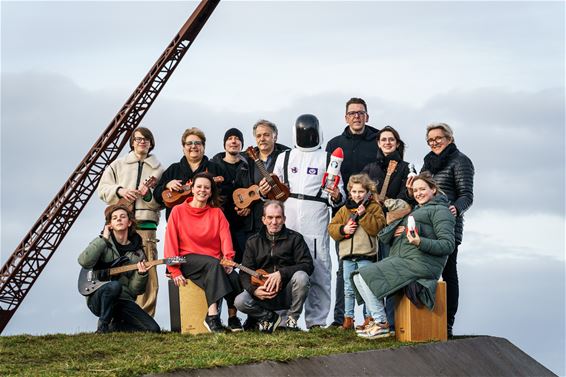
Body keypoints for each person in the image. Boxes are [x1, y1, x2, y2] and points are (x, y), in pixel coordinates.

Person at [353, 173, 455, 339]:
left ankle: (381, 324)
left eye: (423, 189)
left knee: (365, 276)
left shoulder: (441, 211)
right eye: (415, 190)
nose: (418, 193)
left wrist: (419, 241)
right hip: (406, 260)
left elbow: (448, 245)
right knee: (358, 277)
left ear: (434, 189)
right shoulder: (418, 210)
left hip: (422, 264)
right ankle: (377, 320)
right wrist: (397, 233)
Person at [273, 114, 344, 329]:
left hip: (316, 216)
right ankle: (285, 318)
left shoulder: (327, 158)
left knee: (320, 268)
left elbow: (338, 193)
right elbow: (274, 185)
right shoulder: (284, 157)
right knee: (285, 267)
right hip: (290, 216)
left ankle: (316, 320)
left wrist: (335, 195)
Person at [408, 122, 474, 337]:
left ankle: (447, 323)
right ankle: (426, 321)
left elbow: (467, 195)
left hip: (448, 225)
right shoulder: (427, 163)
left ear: (449, 138)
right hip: (426, 225)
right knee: (425, 272)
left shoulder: (461, 161)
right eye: (430, 140)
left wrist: (456, 207)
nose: (434, 142)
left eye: (438, 138)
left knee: (448, 273)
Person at [164, 172, 243, 333]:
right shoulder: (178, 211)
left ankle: (233, 317)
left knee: (234, 277)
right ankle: (212, 317)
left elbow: (226, 238)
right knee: (213, 264)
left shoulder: (217, 213)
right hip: (186, 260)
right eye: (199, 186)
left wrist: (228, 259)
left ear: (211, 191)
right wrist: (174, 269)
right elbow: (170, 242)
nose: (202, 190)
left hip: (211, 263)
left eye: (207, 188)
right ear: (192, 189)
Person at [97, 127, 164, 317]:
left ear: (151, 143)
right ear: (132, 143)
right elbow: (102, 190)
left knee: (148, 273)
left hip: (145, 227)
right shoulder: (117, 165)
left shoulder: (159, 169)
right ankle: (114, 317)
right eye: (138, 139)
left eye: (146, 139)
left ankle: (145, 318)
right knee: (117, 271)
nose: (142, 142)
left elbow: (163, 201)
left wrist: (149, 194)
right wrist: (120, 191)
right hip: (119, 228)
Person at [326, 97, 380, 329]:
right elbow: (330, 178)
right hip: (343, 210)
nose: (356, 116)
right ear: (346, 117)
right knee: (344, 267)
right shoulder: (335, 144)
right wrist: (335, 197)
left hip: (372, 210)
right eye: (352, 113)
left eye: (361, 113)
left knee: (372, 266)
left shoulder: (378, 139)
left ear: (367, 116)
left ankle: (373, 317)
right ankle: (342, 318)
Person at [78, 204, 160, 333]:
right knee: (114, 286)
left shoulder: (138, 253)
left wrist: (141, 274)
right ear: (110, 224)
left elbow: (134, 291)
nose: (119, 219)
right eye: (114, 218)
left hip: (122, 300)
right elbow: (84, 261)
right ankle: (103, 326)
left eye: (123, 217)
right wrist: (104, 239)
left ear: (129, 222)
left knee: (153, 329)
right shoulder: (103, 243)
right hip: (98, 298)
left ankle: (114, 327)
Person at [234, 200, 314, 332]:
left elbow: (308, 265)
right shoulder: (253, 242)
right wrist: (253, 290)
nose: (274, 222)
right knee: (240, 301)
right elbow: (244, 273)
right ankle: (269, 318)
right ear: (263, 219)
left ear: (284, 219)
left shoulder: (295, 239)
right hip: (264, 293)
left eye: (278, 217)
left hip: (287, 292)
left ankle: (291, 320)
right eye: (270, 217)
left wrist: (281, 273)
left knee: (302, 276)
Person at [361, 125, 412, 329]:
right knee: (368, 272)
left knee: (389, 273)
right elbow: (359, 191)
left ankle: (391, 321)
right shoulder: (370, 168)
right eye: (384, 140)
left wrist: (390, 205)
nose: (387, 143)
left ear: (397, 143)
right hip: (371, 226)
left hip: (393, 228)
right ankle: (373, 317)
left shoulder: (406, 167)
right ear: (378, 143)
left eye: (391, 139)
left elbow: (408, 198)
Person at [328, 174, 386, 331]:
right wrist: (343, 229)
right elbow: (332, 228)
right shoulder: (343, 210)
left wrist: (364, 215)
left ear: (367, 192)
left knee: (366, 287)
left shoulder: (374, 208)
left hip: (366, 255)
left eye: (361, 192)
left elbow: (377, 228)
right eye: (354, 192)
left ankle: (369, 318)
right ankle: (348, 319)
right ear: (349, 192)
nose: (357, 195)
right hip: (347, 256)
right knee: (348, 288)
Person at [154, 127, 221, 221]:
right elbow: (157, 195)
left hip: (206, 222)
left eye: (198, 143)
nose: (193, 146)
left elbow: (225, 194)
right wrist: (167, 185)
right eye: (189, 143)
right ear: (183, 148)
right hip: (177, 223)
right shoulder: (173, 169)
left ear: (203, 147)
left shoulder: (215, 168)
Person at [212, 128, 248, 263]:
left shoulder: (248, 166)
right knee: (223, 264)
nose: (233, 141)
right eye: (229, 138)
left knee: (246, 262)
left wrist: (248, 207)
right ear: (224, 144)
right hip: (221, 224)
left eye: (237, 138)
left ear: (242, 144)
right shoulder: (214, 166)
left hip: (244, 225)